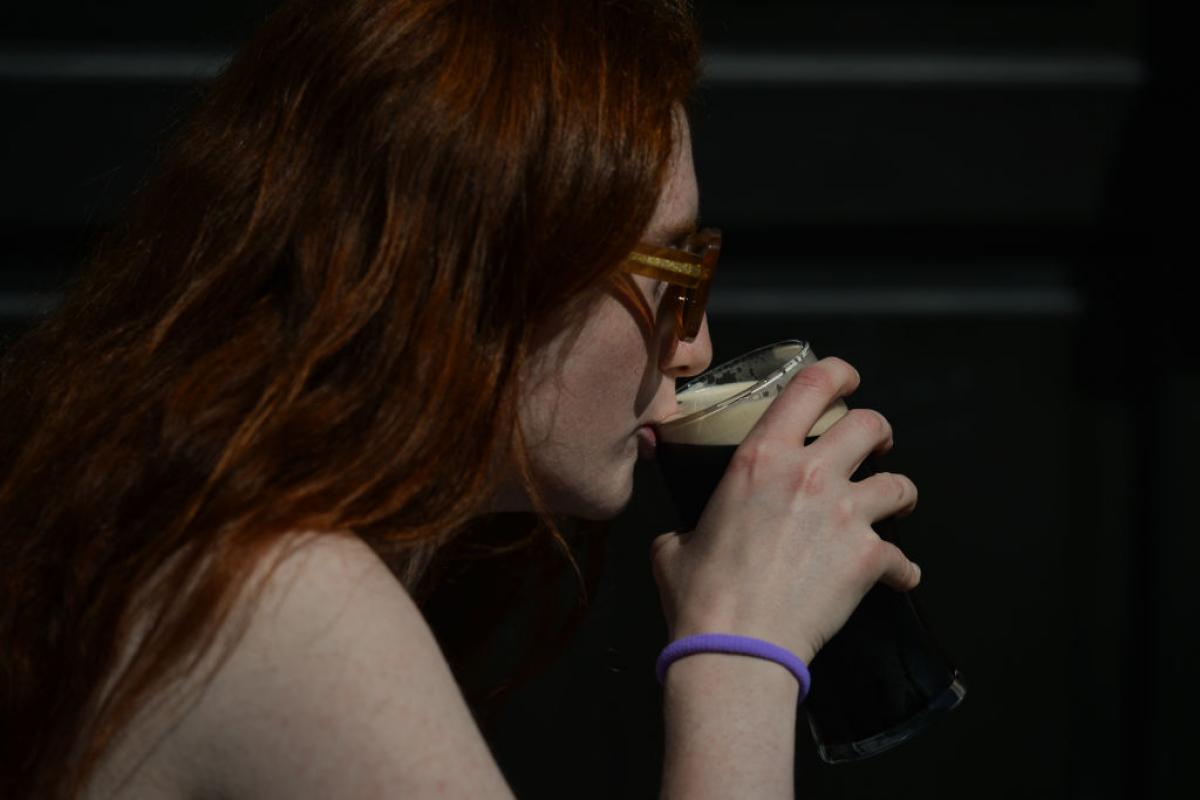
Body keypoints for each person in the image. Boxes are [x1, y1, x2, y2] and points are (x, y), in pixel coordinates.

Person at [0, 1, 921, 797]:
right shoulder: (279, 589)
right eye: (669, 271)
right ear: (481, 277)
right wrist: (742, 651)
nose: (695, 344)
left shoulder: (198, 520)